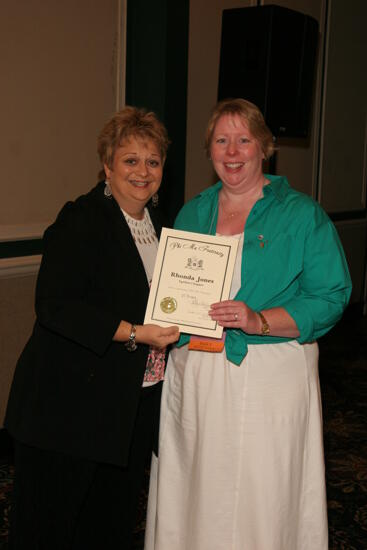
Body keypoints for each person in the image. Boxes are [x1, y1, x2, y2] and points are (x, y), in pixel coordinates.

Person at [144, 98, 352, 550]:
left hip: (270, 376)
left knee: (262, 489)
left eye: (244, 140)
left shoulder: (302, 215)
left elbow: (332, 295)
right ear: (210, 150)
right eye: (222, 140)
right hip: (196, 374)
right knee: (198, 482)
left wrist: (259, 320)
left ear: (265, 147)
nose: (232, 151)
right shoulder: (192, 213)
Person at [5, 106, 179, 549]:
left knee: (108, 526)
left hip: (130, 404)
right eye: (130, 160)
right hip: (68, 408)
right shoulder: (80, 219)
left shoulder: (163, 227)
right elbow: (55, 307)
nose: (143, 171)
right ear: (107, 165)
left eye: (153, 161)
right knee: (49, 529)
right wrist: (135, 333)